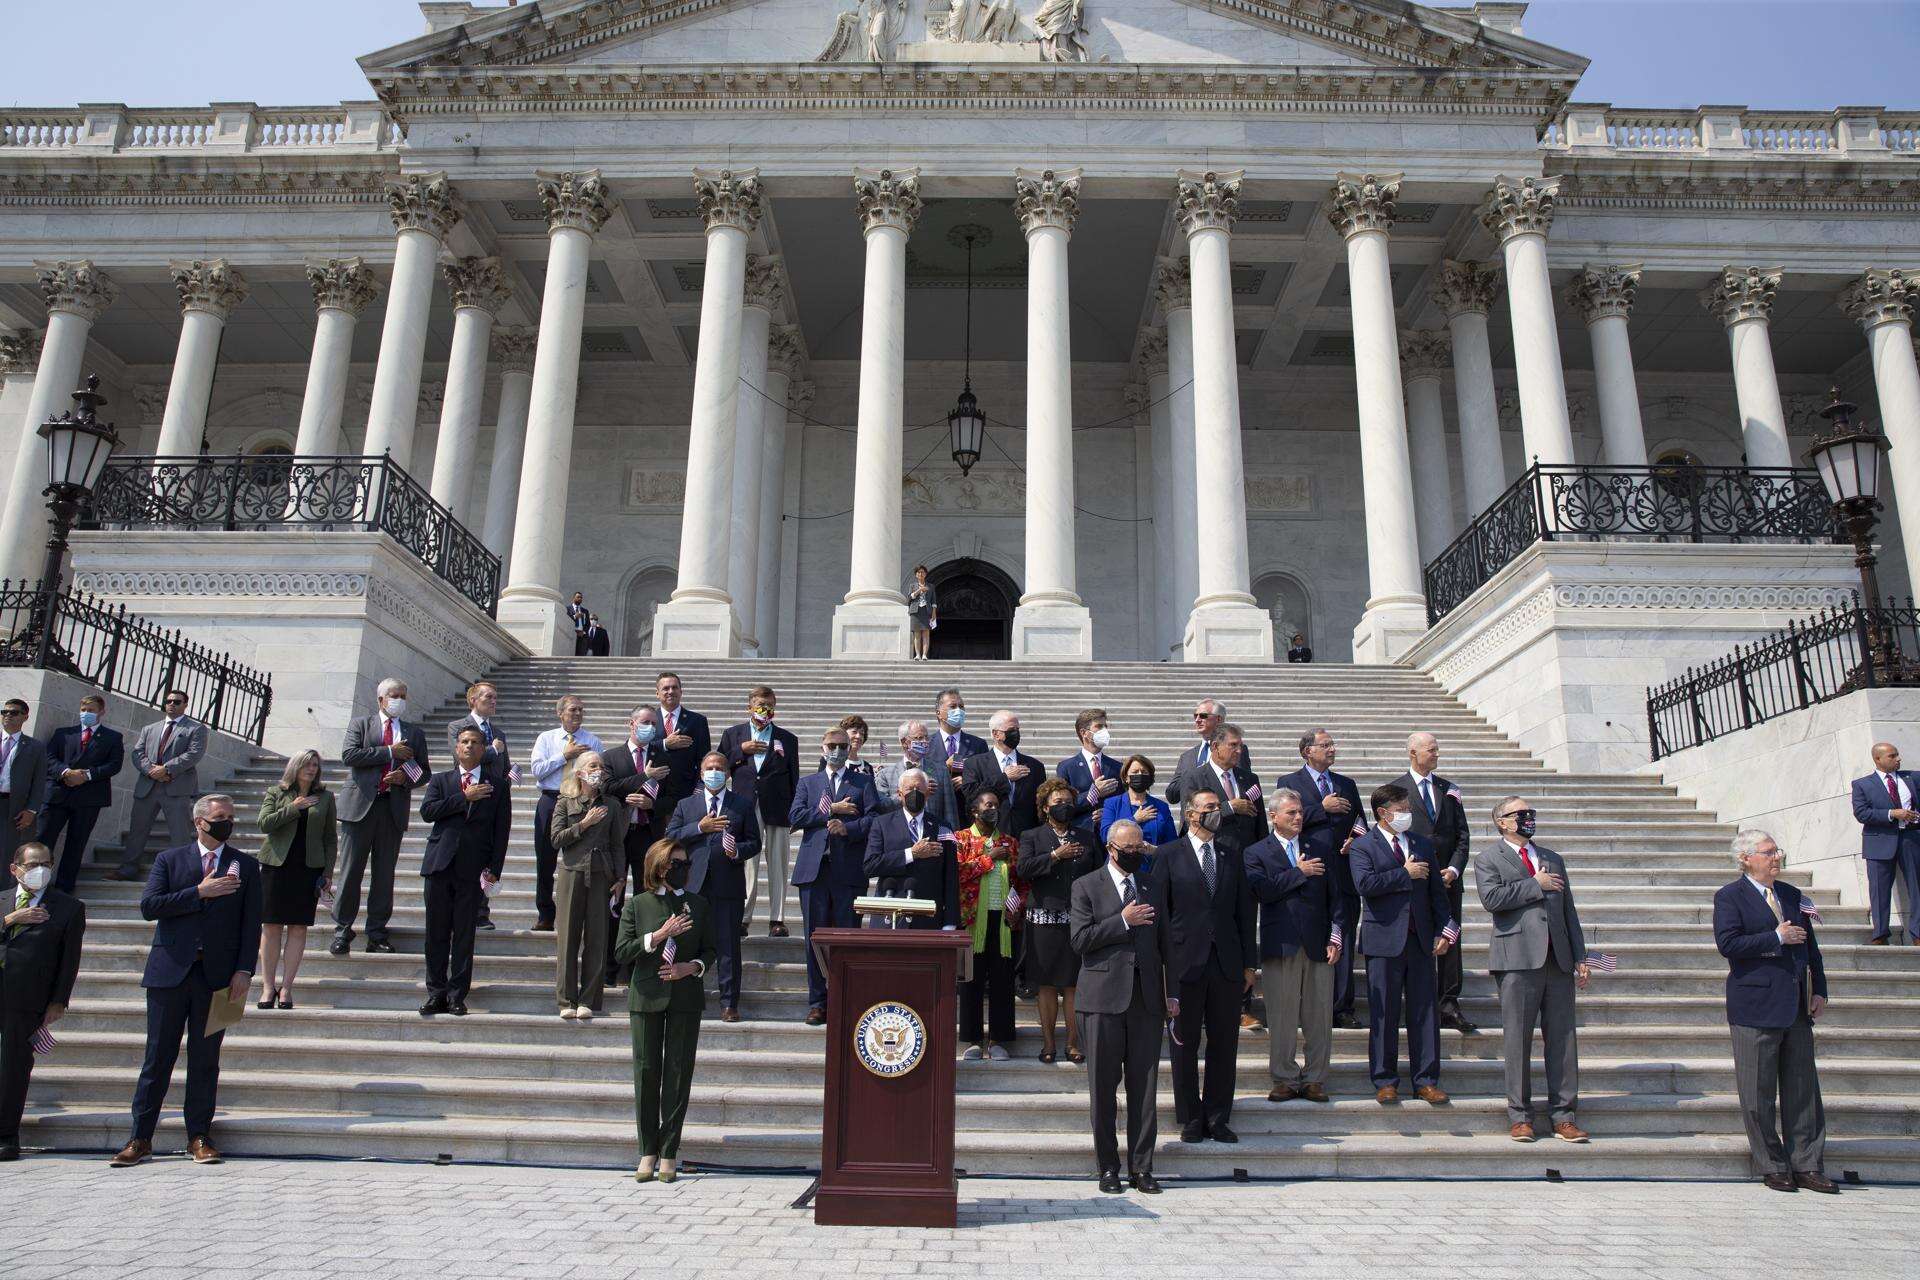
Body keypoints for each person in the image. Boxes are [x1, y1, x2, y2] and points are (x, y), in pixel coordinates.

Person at [112, 794, 261, 1168]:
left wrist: (245, 970)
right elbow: (150, 907)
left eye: (230, 816)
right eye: (219, 817)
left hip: (220, 978)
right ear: (199, 822)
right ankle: (140, 1137)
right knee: (157, 1057)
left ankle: (199, 1135)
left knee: (206, 1059)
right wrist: (199, 892)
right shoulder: (169, 859)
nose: (226, 822)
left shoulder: (245, 865)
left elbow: (251, 922)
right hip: (169, 972)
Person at [1716, 829, 1833, 1192]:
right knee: (1758, 1092)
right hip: (1754, 1006)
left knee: (1803, 1091)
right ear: (1746, 858)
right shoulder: (1729, 897)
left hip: (1796, 1005)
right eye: (1768, 852)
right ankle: (1772, 1164)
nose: (1776, 857)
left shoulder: (1792, 895)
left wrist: (1821, 989)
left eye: (1776, 851)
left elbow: (1810, 947)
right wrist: (1776, 938)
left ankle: (1807, 1163)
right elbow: (1728, 943)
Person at [1476, 794, 1590, 1142]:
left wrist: (1581, 956)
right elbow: (1491, 900)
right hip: (1517, 959)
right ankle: (1520, 1115)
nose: (1528, 817)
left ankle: (1564, 1114)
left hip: (1558, 960)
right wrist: (1533, 886)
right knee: (1517, 1040)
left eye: (1530, 812)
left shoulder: (1552, 858)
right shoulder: (1488, 859)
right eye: (1520, 813)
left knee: (1563, 1039)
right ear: (1502, 822)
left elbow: (1568, 909)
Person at [1069, 819, 1173, 1195]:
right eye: (1128, 848)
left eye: (1140, 848)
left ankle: (1142, 1168)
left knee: (1145, 1090)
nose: (1135, 854)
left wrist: (1170, 993)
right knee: (1102, 1088)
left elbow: (1165, 944)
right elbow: (1080, 940)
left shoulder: (1152, 885)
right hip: (1101, 1001)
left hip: (1146, 1001)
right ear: (1111, 848)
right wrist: (1122, 922)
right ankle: (1108, 1167)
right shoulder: (1085, 886)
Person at [1154, 788, 1256, 1143]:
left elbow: (1245, 910)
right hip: (1184, 965)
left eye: (1217, 806)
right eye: (1210, 807)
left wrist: (1249, 964)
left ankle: (1217, 1116)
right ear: (1191, 814)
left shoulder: (1232, 853)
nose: (1217, 811)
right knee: (1184, 1044)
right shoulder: (1169, 855)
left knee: (1224, 1044)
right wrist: (1163, 966)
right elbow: (1161, 915)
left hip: (1226, 963)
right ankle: (1191, 1116)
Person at [615, 838, 716, 1184]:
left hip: (685, 997)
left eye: (686, 863)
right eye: (677, 863)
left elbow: (712, 949)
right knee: (646, 1072)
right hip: (646, 997)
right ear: (660, 867)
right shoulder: (638, 905)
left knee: (677, 1074)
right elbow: (622, 951)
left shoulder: (698, 905)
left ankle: (669, 1151)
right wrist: (657, 936)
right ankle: (647, 1150)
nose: (683, 868)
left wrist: (692, 967)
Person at [1350, 783, 1454, 1107]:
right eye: (1402, 809)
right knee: (1384, 1012)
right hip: (1383, 941)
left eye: (1408, 808)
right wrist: (1403, 873)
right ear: (1383, 813)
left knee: (1424, 1012)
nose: (1407, 814)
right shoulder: (1363, 846)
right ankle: (1385, 1080)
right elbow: (1365, 885)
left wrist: (1443, 930)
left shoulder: (1421, 843)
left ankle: (1426, 1080)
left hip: (1420, 939)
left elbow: (1437, 891)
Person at [1244, 788, 1340, 1103]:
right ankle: (1284, 1077)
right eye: (1291, 813)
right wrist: (1297, 873)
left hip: (1318, 944)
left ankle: (1315, 1079)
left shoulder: (1320, 847)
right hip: (1280, 943)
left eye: (1300, 812)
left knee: (1319, 1014)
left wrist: (1336, 934)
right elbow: (1263, 891)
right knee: (1282, 1015)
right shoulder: (1256, 852)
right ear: (1273, 816)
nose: (1298, 818)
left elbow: (1336, 897)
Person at [330, 679, 428, 956]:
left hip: (391, 808)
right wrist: (388, 752)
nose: (399, 700)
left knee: (384, 875)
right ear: (381, 699)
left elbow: (424, 771)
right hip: (360, 807)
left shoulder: (413, 733)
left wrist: (405, 778)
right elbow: (350, 755)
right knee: (350, 871)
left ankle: (376, 932)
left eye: (403, 696)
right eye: (394, 696)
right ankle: (342, 930)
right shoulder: (361, 724)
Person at [1277, 728, 1366, 1029]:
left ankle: (1342, 1006)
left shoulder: (1346, 784)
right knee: (1312, 937)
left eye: (1332, 744)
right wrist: (1319, 808)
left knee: (1345, 935)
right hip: (1310, 869)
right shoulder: (1290, 782)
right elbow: (1285, 821)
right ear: (1307, 751)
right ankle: (1310, 1005)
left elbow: (1360, 821)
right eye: (1325, 745)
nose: (1331, 749)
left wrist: (1357, 841)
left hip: (1344, 870)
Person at [1, 841, 84, 1162]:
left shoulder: (68, 907)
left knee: (13, 1067)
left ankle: (7, 1134)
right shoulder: (3, 902)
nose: (40, 870)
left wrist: (58, 1001)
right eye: (33, 864)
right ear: (15, 869)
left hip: (27, 999)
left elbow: (69, 961)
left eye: (47, 864)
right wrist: (10, 919)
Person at [418, 727, 510, 1016]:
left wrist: (495, 868)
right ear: (456, 748)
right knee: (436, 933)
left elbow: (501, 830)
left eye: (475, 743)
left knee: (464, 935)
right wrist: (464, 797)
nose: (469, 746)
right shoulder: (441, 780)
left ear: (483, 749)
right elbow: (428, 812)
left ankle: (458, 994)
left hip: (472, 869)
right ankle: (436, 993)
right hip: (439, 865)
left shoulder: (497, 785)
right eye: (464, 742)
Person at [788, 726, 878, 1023]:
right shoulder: (808, 782)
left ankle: (845, 997)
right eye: (831, 745)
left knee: (846, 935)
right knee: (814, 937)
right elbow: (796, 816)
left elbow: (874, 820)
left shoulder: (863, 782)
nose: (837, 750)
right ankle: (818, 1001)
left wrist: (848, 828)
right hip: (813, 872)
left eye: (842, 745)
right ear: (822, 749)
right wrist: (830, 811)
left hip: (847, 871)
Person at [665, 752, 761, 1021]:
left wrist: (736, 852)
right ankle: (685, 998)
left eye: (720, 768)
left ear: (728, 774)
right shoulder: (687, 805)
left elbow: (754, 842)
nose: (715, 771)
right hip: (691, 886)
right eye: (710, 767)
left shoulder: (741, 804)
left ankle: (729, 1003)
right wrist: (699, 827)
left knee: (728, 946)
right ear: (701, 773)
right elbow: (670, 837)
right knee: (687, 942)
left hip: (727, 886)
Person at [1394, 732, 1475, 1032]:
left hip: (1448, 881)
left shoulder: (1449, 789)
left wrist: (1454, 869)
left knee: (1451, 941)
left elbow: (1462, 837)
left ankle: (1449, 1004)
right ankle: (1419, 1001)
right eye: (1431, 750)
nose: (1437, 754)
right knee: (1417, 941)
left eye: (1437, 749)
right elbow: (1392, 836)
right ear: (1413, 753)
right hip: (1416, 879)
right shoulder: (1396, 790)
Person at [1018, 778, 1098, 1064]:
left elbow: (1098, 873)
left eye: (1068, 802)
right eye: (1058, 803)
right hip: (1043, 919)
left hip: (1077, 920)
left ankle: (1073, 1043)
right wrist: (1054, 855)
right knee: (1047, 984)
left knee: (1074, 984)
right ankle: (1049, 1043)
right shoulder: (1032, 836)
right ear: (1045, 807)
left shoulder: (1087, 836)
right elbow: (1024, 869)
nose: (1064, 807)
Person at [253, 750, 336, 1010]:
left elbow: (330, 838)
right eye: (307, 765)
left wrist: (328, 872)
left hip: (308, 868)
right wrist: (294, 807)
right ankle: (267, 987)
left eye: (315, 765)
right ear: (295, 766)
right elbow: (264, 823)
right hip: (276, 866)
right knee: (272, 926)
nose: (312, 769)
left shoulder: (325, 797)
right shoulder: (276, 792)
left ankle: (287, 988)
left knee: (298, 928)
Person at [551, 750, 627, 1020]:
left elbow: (618, 844)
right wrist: (584, 824)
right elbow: (556, 839)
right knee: (568, 939)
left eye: (601, 766)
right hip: (572, 872)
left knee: (597, 938)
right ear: (580, 772)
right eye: (593, 765)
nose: (598, 769)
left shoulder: (613, 805)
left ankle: (590, 999)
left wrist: (620, 878)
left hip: (601, 874)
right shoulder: (565, 803)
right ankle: (566, 1000)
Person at [721, 685, 800, 939]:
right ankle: (743, 917)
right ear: (749, 707)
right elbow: (718, 765)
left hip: (777, 807)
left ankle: (777, 918)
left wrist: (795, 811)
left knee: (778, 863)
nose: (764, 709)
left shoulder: (787, 739)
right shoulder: (733, 734)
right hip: (744, 806)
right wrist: (740, 751)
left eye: (769, 705)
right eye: (759, 704)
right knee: (748, 864)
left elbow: (794, 778)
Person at [110, 691, 206, 882]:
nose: (172, 705)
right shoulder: (150, 729)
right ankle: (128, 869)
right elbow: (137, 753)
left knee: (179, 833)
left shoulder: (195, 728)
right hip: (148, 786)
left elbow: (194, 754)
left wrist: (167, 769)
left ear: (185, 704)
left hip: (177, 787)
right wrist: (151, 770)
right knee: (137, 830)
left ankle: (184, 873)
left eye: (177, 702)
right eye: (168, 701)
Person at [529, 695, 604, 933]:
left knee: (581, 858)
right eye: (573, 710)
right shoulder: (546, 738)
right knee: (545, 859)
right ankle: (545, 913)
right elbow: (537, 771)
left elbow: (602, 773)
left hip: (581, 801)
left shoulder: (592, 740)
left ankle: (578, 913)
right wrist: (564, 756)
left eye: (581, 710)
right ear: (560, 713)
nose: (578, 714)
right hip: (552, 799)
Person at [956, 789, 1021, 1059]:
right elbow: (958, 872)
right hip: (972, 920)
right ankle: (973, 1040)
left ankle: (998, 1039)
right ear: (975, 810)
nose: (992, 809)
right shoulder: (961, 838)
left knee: (1002, 979)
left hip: (1003, 919)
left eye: (996, 805)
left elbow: (1021, 878)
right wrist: (988, 858)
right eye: (987, 805)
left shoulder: (1009, 842)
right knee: (971, 979)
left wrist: (1017, 907)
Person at [37, 693, 123, 894]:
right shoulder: (63, 734)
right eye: (83, 710)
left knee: (76, 845)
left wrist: (86, 775)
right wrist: (66, 772)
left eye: (91, 710)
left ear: (101, 712)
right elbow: (49, 758)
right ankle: (35, 886)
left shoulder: (112, 737)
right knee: (43, 841)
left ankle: (63, 891)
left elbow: (114, 765)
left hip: (88, 798)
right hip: (58, 795)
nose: (86, 714)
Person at [863, 768, 960, 928]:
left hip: (929, 918)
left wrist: (950, 922)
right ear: (899, 794)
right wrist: (911, 854)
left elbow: (950, 877)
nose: (914, 793)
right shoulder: (882, 824)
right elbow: (870, 865)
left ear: (928, 793)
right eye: (909, 789)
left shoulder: (942, 826)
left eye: (919, 789)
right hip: (890, 915)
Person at [448, 680, 510, 931]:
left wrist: (508, 770)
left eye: (495, 697)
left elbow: (503, 765)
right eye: (488, 697)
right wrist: (493, 752)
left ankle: (481, 910)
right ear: (473, 700)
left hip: (493, 797)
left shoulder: (499, 733)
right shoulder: (458, 727)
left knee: (488, 852)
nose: (493, 701)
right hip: (467, 796)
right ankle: (458, 908)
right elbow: (461, 756)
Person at [1849, 741, 1920, 945]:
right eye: (1892, 756)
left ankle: (1917, 934)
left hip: (1910, 840)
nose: (1898, 758)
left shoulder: (1912, 778)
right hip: (1878, 843)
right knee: (1879, 890)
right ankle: (1880, 933)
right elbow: (1861, 813)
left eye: (1897, 754)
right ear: (1878, 759)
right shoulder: (1862, 784)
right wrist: (1892, 813)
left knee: (1917, 887)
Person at [602, 707, 670, 896]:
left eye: (654, 724)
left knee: (647, 890)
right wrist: (644, 776)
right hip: (618, 834)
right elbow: (607, 788)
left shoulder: (663, 758)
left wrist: (652, 805)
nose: (650, 727)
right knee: (614, 889)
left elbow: (674, 797)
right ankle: (613, 926)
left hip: (648, 832)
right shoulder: (610, 757)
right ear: (632, 724)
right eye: (646, 723)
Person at [1172, 723, 1265, 856]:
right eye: (1233, 745)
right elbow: (1190, 819)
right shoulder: (1193, 778)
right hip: (1213, 856)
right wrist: (1229, 807)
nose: (1239, 751)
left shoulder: (1250, 779)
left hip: (1248, 858)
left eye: (1241, 746)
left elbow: (1260, 823)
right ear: (1215, 746)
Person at [961, 710, 1044, 839]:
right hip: (989, 835)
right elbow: (971, 794)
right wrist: (1004, 778)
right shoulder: (974, 764)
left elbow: (1040, 804)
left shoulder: (1034, 766)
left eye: (1017, 729)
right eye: (1011, 730)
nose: (1016, 733)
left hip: (1026, 837)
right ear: (996, 734)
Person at [1165, 698, 1252, 811]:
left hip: (1226, 822)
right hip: (1194, 823)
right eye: (1195, 716)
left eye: (1203, 716)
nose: (1197, 720)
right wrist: (1196, 774)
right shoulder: (1187, 757)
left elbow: (1243, 788)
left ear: (1219, 719)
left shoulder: (1236, 750)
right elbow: (1172, 796)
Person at [652, 672, 710, 824]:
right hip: (654, 792)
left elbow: (704, 758)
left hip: (686, 792)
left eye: (674, 688)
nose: (670, 691)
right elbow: (637, 747)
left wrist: (700, 787)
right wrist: (665, 743)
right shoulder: (648, 719)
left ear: (681, 692)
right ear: (657, 693)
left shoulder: (697, 721)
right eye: (665, 688)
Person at [0, 699, 46, 874]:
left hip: (12, 806)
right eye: (5, 712)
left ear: (25, 717)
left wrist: (31, 810)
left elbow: (39, 781)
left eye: (14, 712)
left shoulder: (35, 747)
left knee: (6, 853)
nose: (8, 716)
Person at [1055, 708, 1122, 824]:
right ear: (1084, 733)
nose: (1104, 730)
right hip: (1080, 834)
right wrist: (1094, 793)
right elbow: (1062, 807)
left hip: (1110, 834)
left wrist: (1109, 813)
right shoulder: (1066, 767)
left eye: (1105, 726)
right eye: (1099, 726)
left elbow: (1124, 802)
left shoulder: (1117, 767)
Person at [931, 688, 987, 826]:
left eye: (961, 706)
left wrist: (968, 781)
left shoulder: (978, 744)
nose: (959, 710)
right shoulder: (927, 744)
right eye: (953, 707)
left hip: (968, 816)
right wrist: (944, 768)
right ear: (939, 713)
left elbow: (986, 778)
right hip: (937, 813)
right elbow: (922, 774)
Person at [1098, 755, 1175, 854]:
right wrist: (1134, 819)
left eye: (1144, 772)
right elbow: (1105, 835)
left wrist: (1155, 850)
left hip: (1152, 865)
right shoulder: (1113, 803)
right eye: (1135, 772)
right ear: (1126, 777)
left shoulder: (1161, 807)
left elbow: (1172, 842)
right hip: (1122, 864)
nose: (1140, 775)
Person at [873, 719, 933, 818]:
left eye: (926, 737)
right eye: (919, 738)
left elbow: (949, 811)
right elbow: (881, 807)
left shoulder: (940, 770)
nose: (925, 742)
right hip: (898, 830)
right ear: (904, 742)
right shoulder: (885, 775)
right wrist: (906, 794)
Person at [824, 715, 877, 782]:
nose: (858, 736)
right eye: (854, 732)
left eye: (862, 733)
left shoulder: (867, 767)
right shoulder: (831, 761)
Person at [907, 564, 938, 660]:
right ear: (916, 575)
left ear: (925, 574)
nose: (921, 574)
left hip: (927, 611)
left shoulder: (931, 586)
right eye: (919, 572)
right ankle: (917, 655)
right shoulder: (912, 586)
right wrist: (919, 590)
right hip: (915, 611)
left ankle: (924, 655)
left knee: (926, 633)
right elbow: (909, 598)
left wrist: (934, 613)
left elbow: (934, 602)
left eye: (923, 572)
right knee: (917, 634)